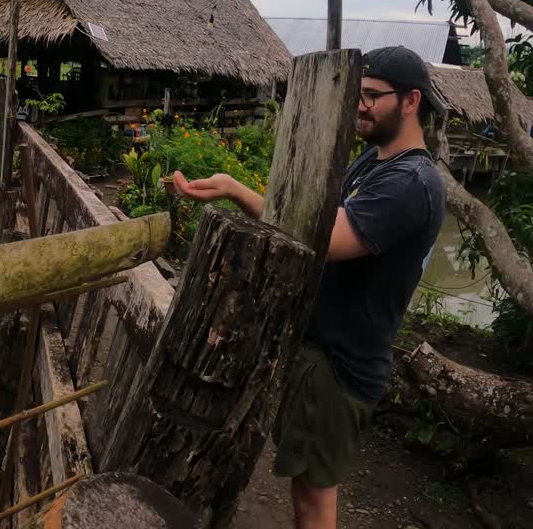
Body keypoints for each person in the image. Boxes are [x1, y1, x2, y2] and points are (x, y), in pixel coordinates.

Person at [172, 46, 446, 529]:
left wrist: (240, 191)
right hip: (319, 350)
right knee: (305, 492)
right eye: (356, 93)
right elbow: (310, 221)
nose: (359, 105)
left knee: (312, 503)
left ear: (410, 101)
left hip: (342, 366)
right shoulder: (373, 162)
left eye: (372, 96)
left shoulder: (411, 183)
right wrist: (236, 188)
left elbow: (323, 240)